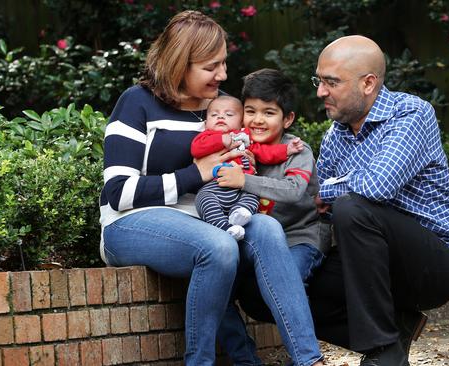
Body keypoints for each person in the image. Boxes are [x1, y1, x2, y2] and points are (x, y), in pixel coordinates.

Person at [99, 10, 323, 366]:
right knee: (218, 247)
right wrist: (196, 173)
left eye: (223, 64)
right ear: (179, 64)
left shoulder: (222, 108)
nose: (223, 75)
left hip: (207, 217)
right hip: (132, 222)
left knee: (266, 228)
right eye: (211, 67)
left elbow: (260, 153)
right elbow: (119, 192)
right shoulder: (136, 103)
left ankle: (309, 359)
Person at [307, 35, 449, 366]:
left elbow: (376, 186)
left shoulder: (410, 114)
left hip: (434, 263)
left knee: (353, 207)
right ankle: (397, 332)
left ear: (368, 83)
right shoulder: (335, 135)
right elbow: (320, 211)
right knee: (270, 290)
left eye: (331, 82)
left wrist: (325, 191)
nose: (320, 92)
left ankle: (382, 353)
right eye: (319, 80)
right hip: (369, 265)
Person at [214, 68, 331, 364]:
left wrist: (244, 180)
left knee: (285, 280)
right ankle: (246, 360)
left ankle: (305, 359)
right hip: (250, 242)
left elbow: (293, 190)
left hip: (299, 239)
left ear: (287, 118)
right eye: (250, 111)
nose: (257, 120)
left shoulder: (296, 150)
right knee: (214, 289)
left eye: (269, 112)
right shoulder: (238, 149)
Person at [191, 95, 303, 240]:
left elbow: (265, 152)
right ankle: (225, 227)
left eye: (228, 114)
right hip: (215, 186)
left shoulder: (244, 137)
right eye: (214, 114)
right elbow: (196, 149)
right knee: (203, 199)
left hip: (242, 186)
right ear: (206, 122)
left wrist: (286, 150)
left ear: (241, 121)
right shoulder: (206, 136)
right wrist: (221, 139)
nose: (220, 117)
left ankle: (239, 215)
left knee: (252, 197)